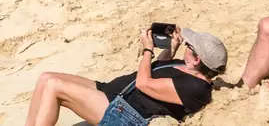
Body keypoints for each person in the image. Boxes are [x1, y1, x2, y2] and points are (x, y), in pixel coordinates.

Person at [23, 25, 226, 126]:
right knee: (45, 77)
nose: (186, 47)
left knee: (54, 86)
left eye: (189, 46)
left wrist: (147, 51)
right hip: (113, 93)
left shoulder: (196, 88)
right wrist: (171, 48)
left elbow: (145, 83)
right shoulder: (187, 65)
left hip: (126, 114)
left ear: (197, 60)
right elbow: (160, 69)